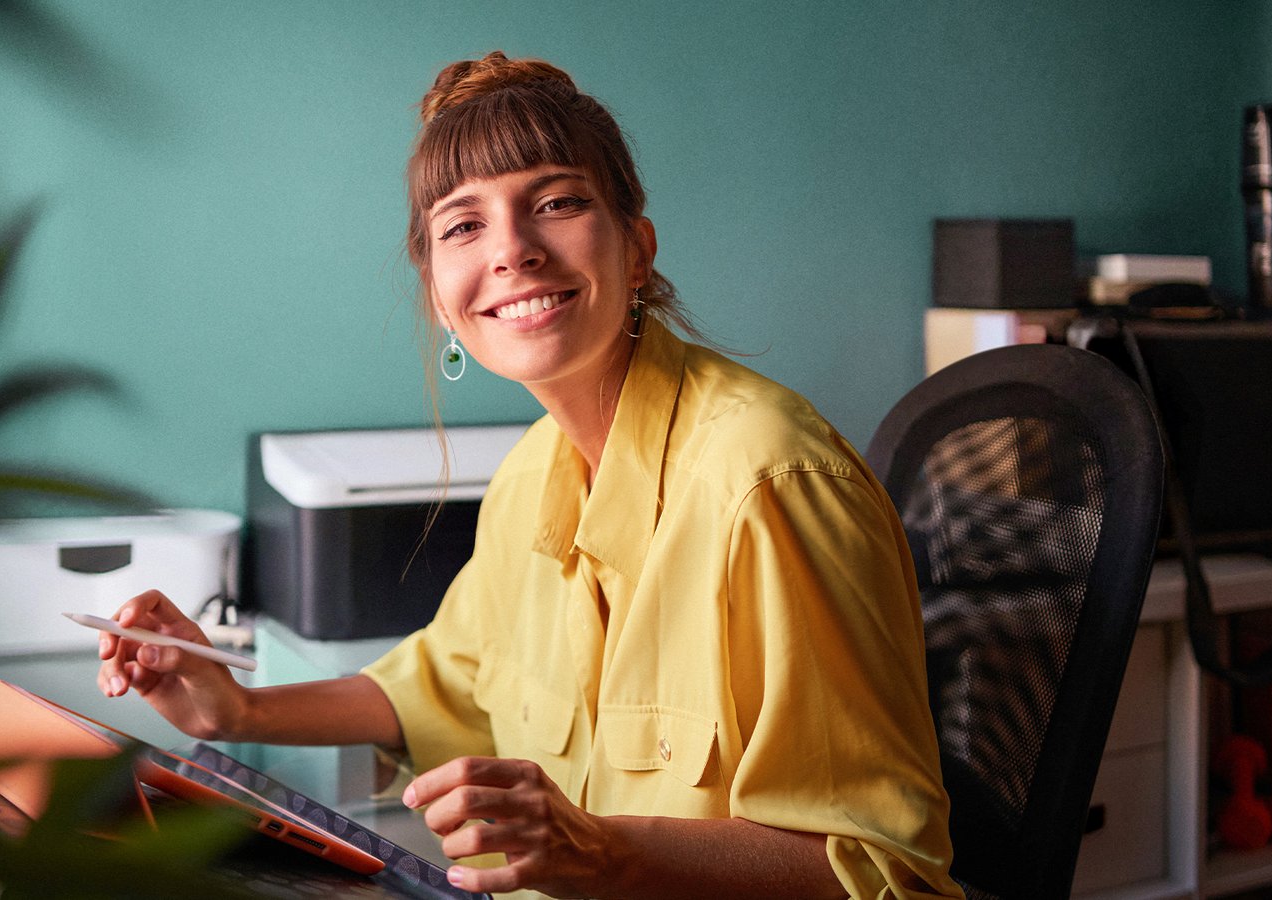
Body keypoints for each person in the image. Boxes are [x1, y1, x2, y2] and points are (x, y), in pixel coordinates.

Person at [98, 51, 962, 899]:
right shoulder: (529, 476)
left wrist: (604, 856)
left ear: (637, 246)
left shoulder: (767, 482)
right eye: (463, 226)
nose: (511, 251)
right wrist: (235, 712)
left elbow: (884, 873)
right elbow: (446, 687)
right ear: (440, 293)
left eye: (555, 202)